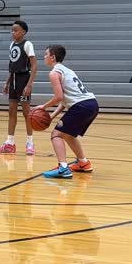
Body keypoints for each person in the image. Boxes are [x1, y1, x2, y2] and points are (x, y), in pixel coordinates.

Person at [33, 45, 100, 179]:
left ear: (53, 57)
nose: (44, 57)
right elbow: (64, 101)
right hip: (92, 104)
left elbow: (58, 97)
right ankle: (83, 163)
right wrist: (51, 116)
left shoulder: (54, 73)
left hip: (81, 106)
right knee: (68, 135)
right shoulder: (67, 70)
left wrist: (43, 107)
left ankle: (63, 168)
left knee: (56, 134)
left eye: (46, 54)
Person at [0, 21, 37, 155]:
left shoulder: (28, 44)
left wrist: (29, 84)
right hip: (13, 80)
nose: (13, 32)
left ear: (23, 32)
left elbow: (34, 66)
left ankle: (30, 142)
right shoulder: (12, 45)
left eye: (16, 30)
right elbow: (12, 67)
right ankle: (10, 143)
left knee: (26, 113)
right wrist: (7, 83)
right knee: (11, 112)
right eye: (12, 30)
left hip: (23, 80)